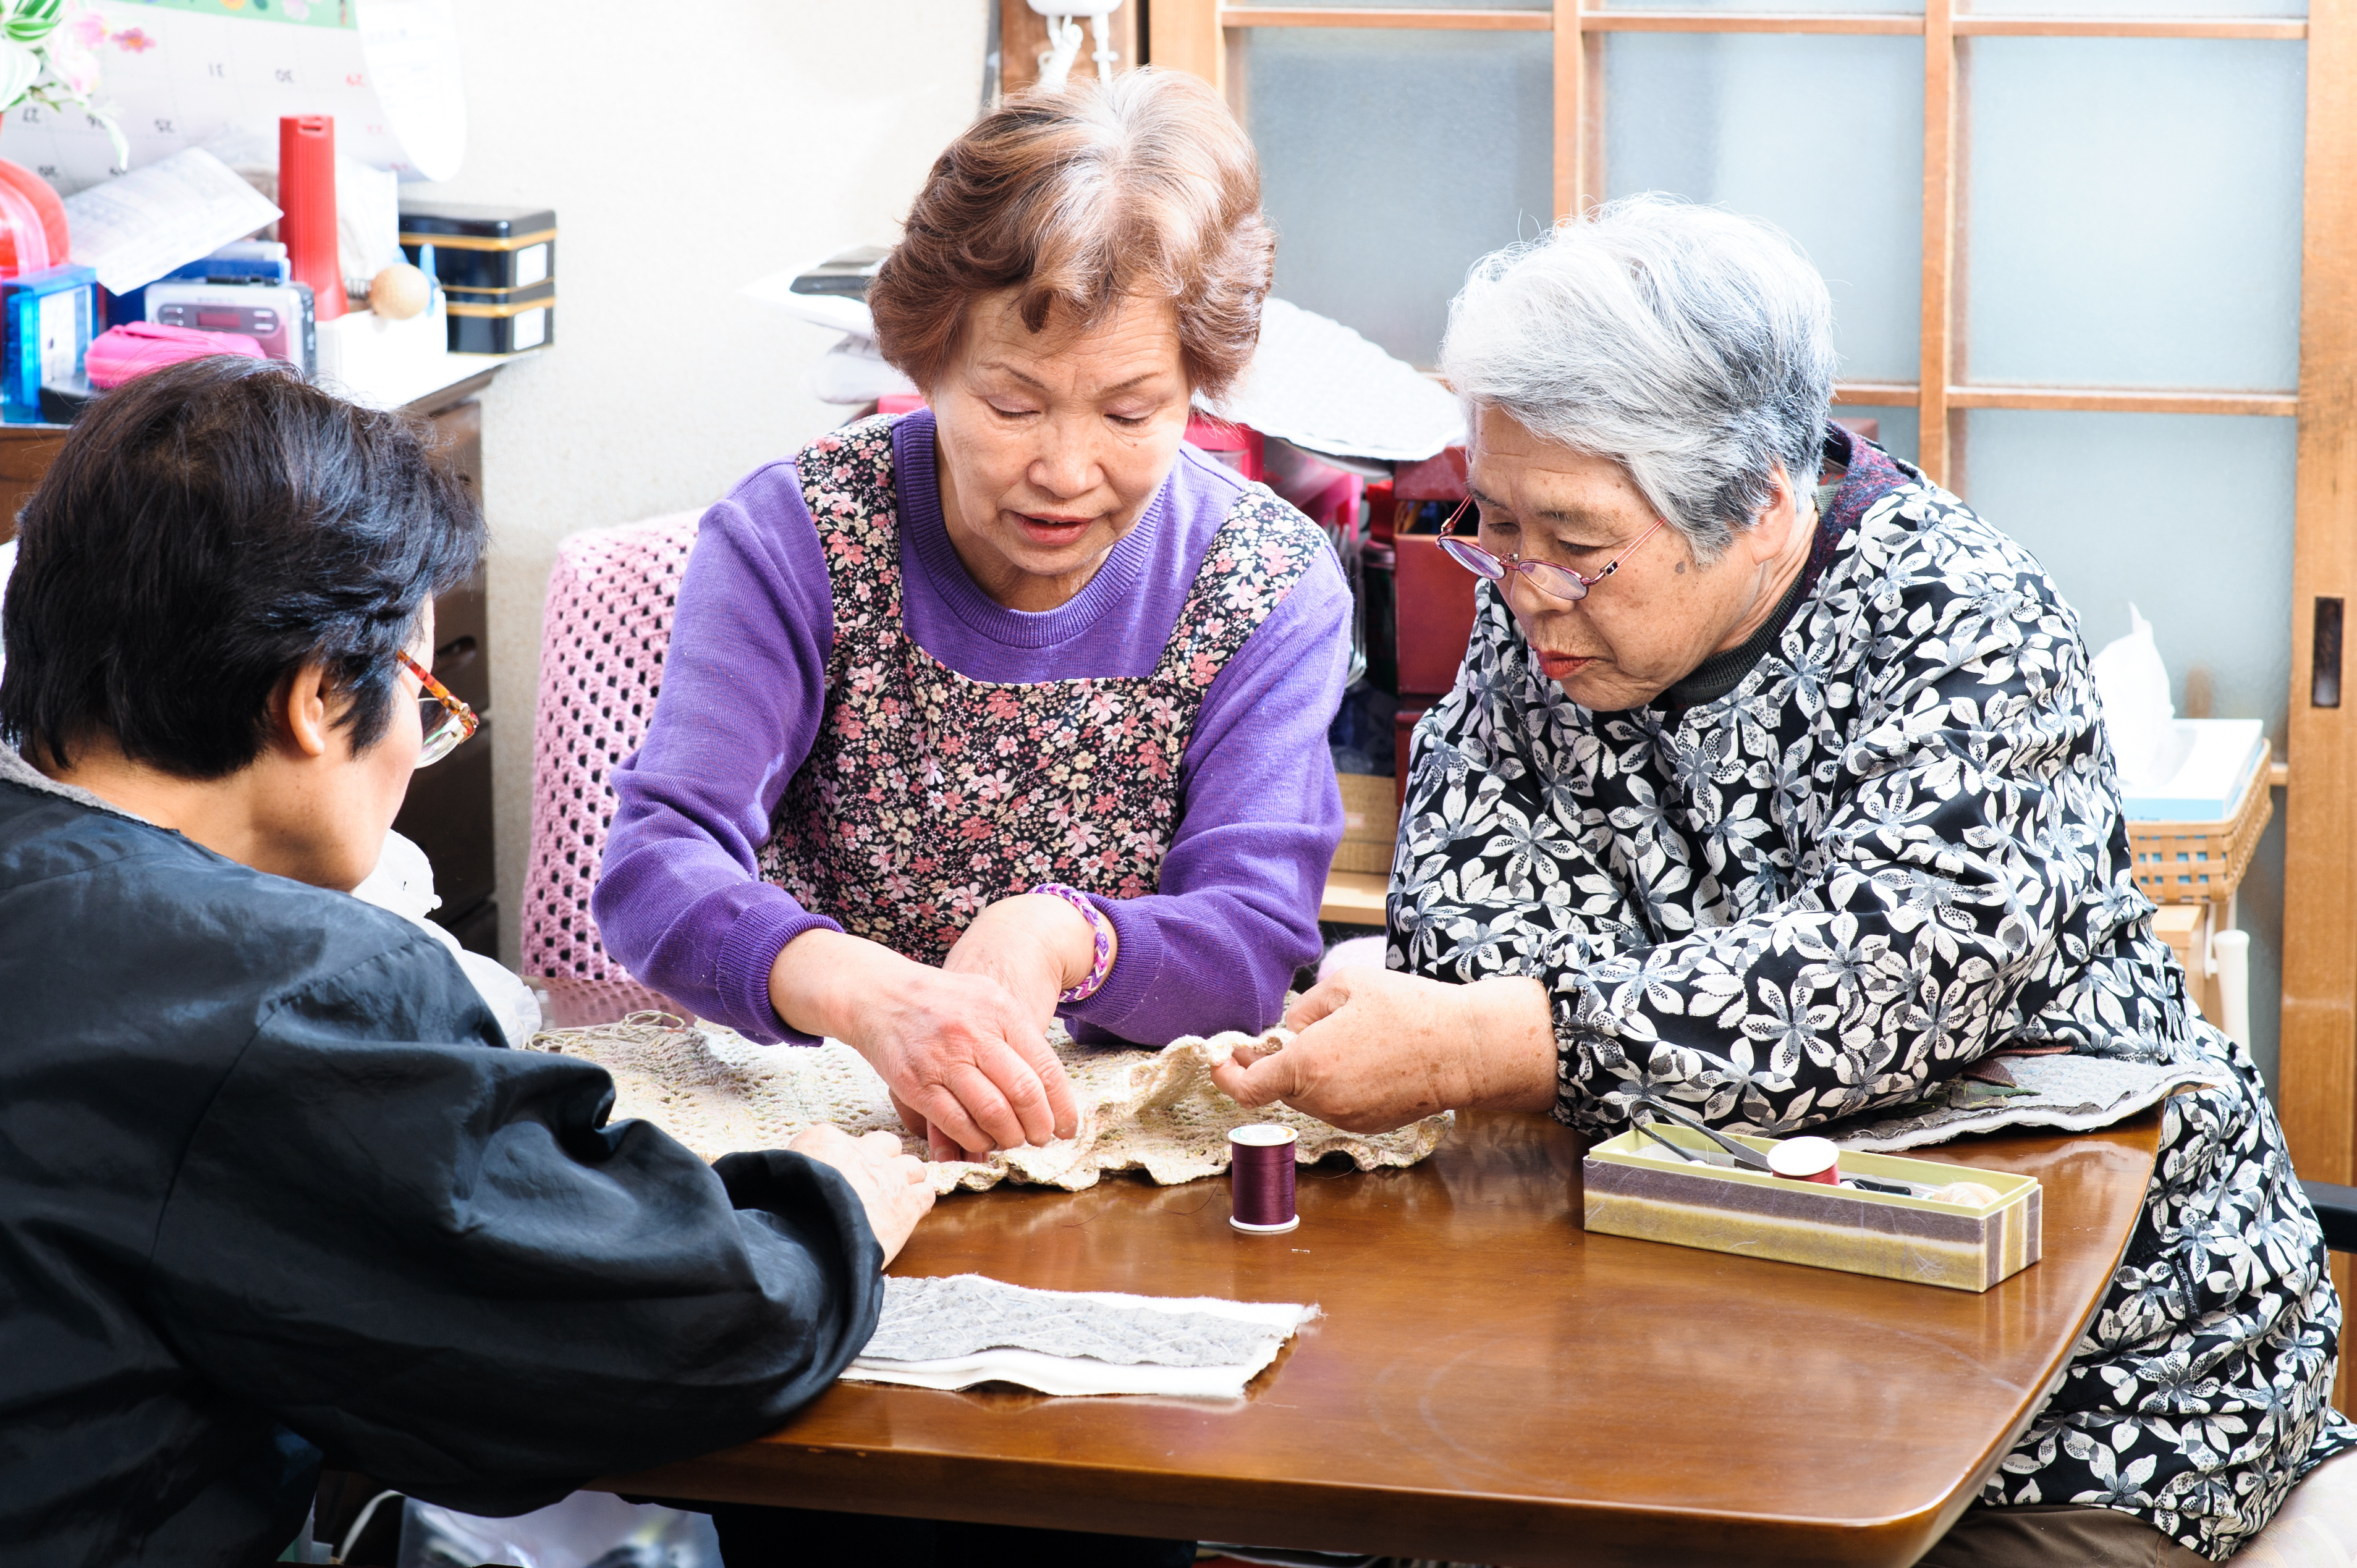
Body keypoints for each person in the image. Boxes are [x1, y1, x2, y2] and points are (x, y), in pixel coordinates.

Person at [1212, 196, 2355, 1563]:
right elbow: (1467, 936)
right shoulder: (1543, 634)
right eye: (1492, 522)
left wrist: (1522, 1038)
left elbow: (1872, 989)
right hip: (1686, 1307)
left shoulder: (1961, 623)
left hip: (2080, 1369)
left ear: (1761, 505)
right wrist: (1524, 1027)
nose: (1519, 586)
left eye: (1574, 540)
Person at [0, 356, 932, 1568]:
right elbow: (675, 1328)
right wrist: (835, 1211)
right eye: (422, 693)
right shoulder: (278, 992)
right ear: (315, 701)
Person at [592, 68, 1352, 1165]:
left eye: (1132, 411)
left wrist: (1060, 936)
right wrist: (868, 996)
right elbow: (656, 868)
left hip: (1109, 1144)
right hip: (830, 1121)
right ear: (928, 358)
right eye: (1012, 403)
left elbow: (1250, 940)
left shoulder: (1266, 583)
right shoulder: (795, 536)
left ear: (1199, 384)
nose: (1064, 469)